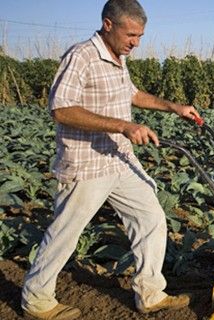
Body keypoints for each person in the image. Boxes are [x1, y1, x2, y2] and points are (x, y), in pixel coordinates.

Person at [21, 1, 200, 319]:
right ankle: (36, 300)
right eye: (131, 34)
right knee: (66, 232)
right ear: (108, 24)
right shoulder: (82, 56)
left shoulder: (118, 57)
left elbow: (131, 94)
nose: (136, 42)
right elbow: (62, 109)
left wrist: (174, 106)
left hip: (118, 160)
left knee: (151, 218)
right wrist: (123, 125)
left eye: (140, 36)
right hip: (87, 163)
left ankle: (150, 292)